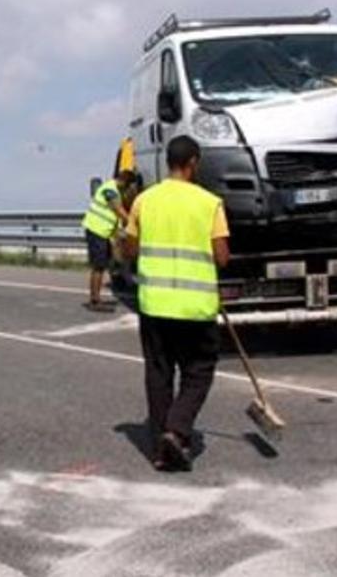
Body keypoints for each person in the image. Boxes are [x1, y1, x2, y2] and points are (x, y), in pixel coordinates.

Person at [122, 136, 230, 472]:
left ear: (168, 161)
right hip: (195, 306)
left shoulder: (144, 200)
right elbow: (222, 257)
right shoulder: (209, 202)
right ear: (193, 162)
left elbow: (129, 249)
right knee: (198, 372)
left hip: (155, 304)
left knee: (159, 374)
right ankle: (178, 429)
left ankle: (159, 449)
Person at [82, 169, 138, 312]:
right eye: (129, 186)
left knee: (104, 263)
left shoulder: (115, 190)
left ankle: (96, 298)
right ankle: (94, 301)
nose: (129, 189)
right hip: (96, 230)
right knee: (98, 266)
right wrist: (135, 223)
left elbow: (115, 218)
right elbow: (119, 210)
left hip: (103, 232)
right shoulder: (110, 190)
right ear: (125, 182)